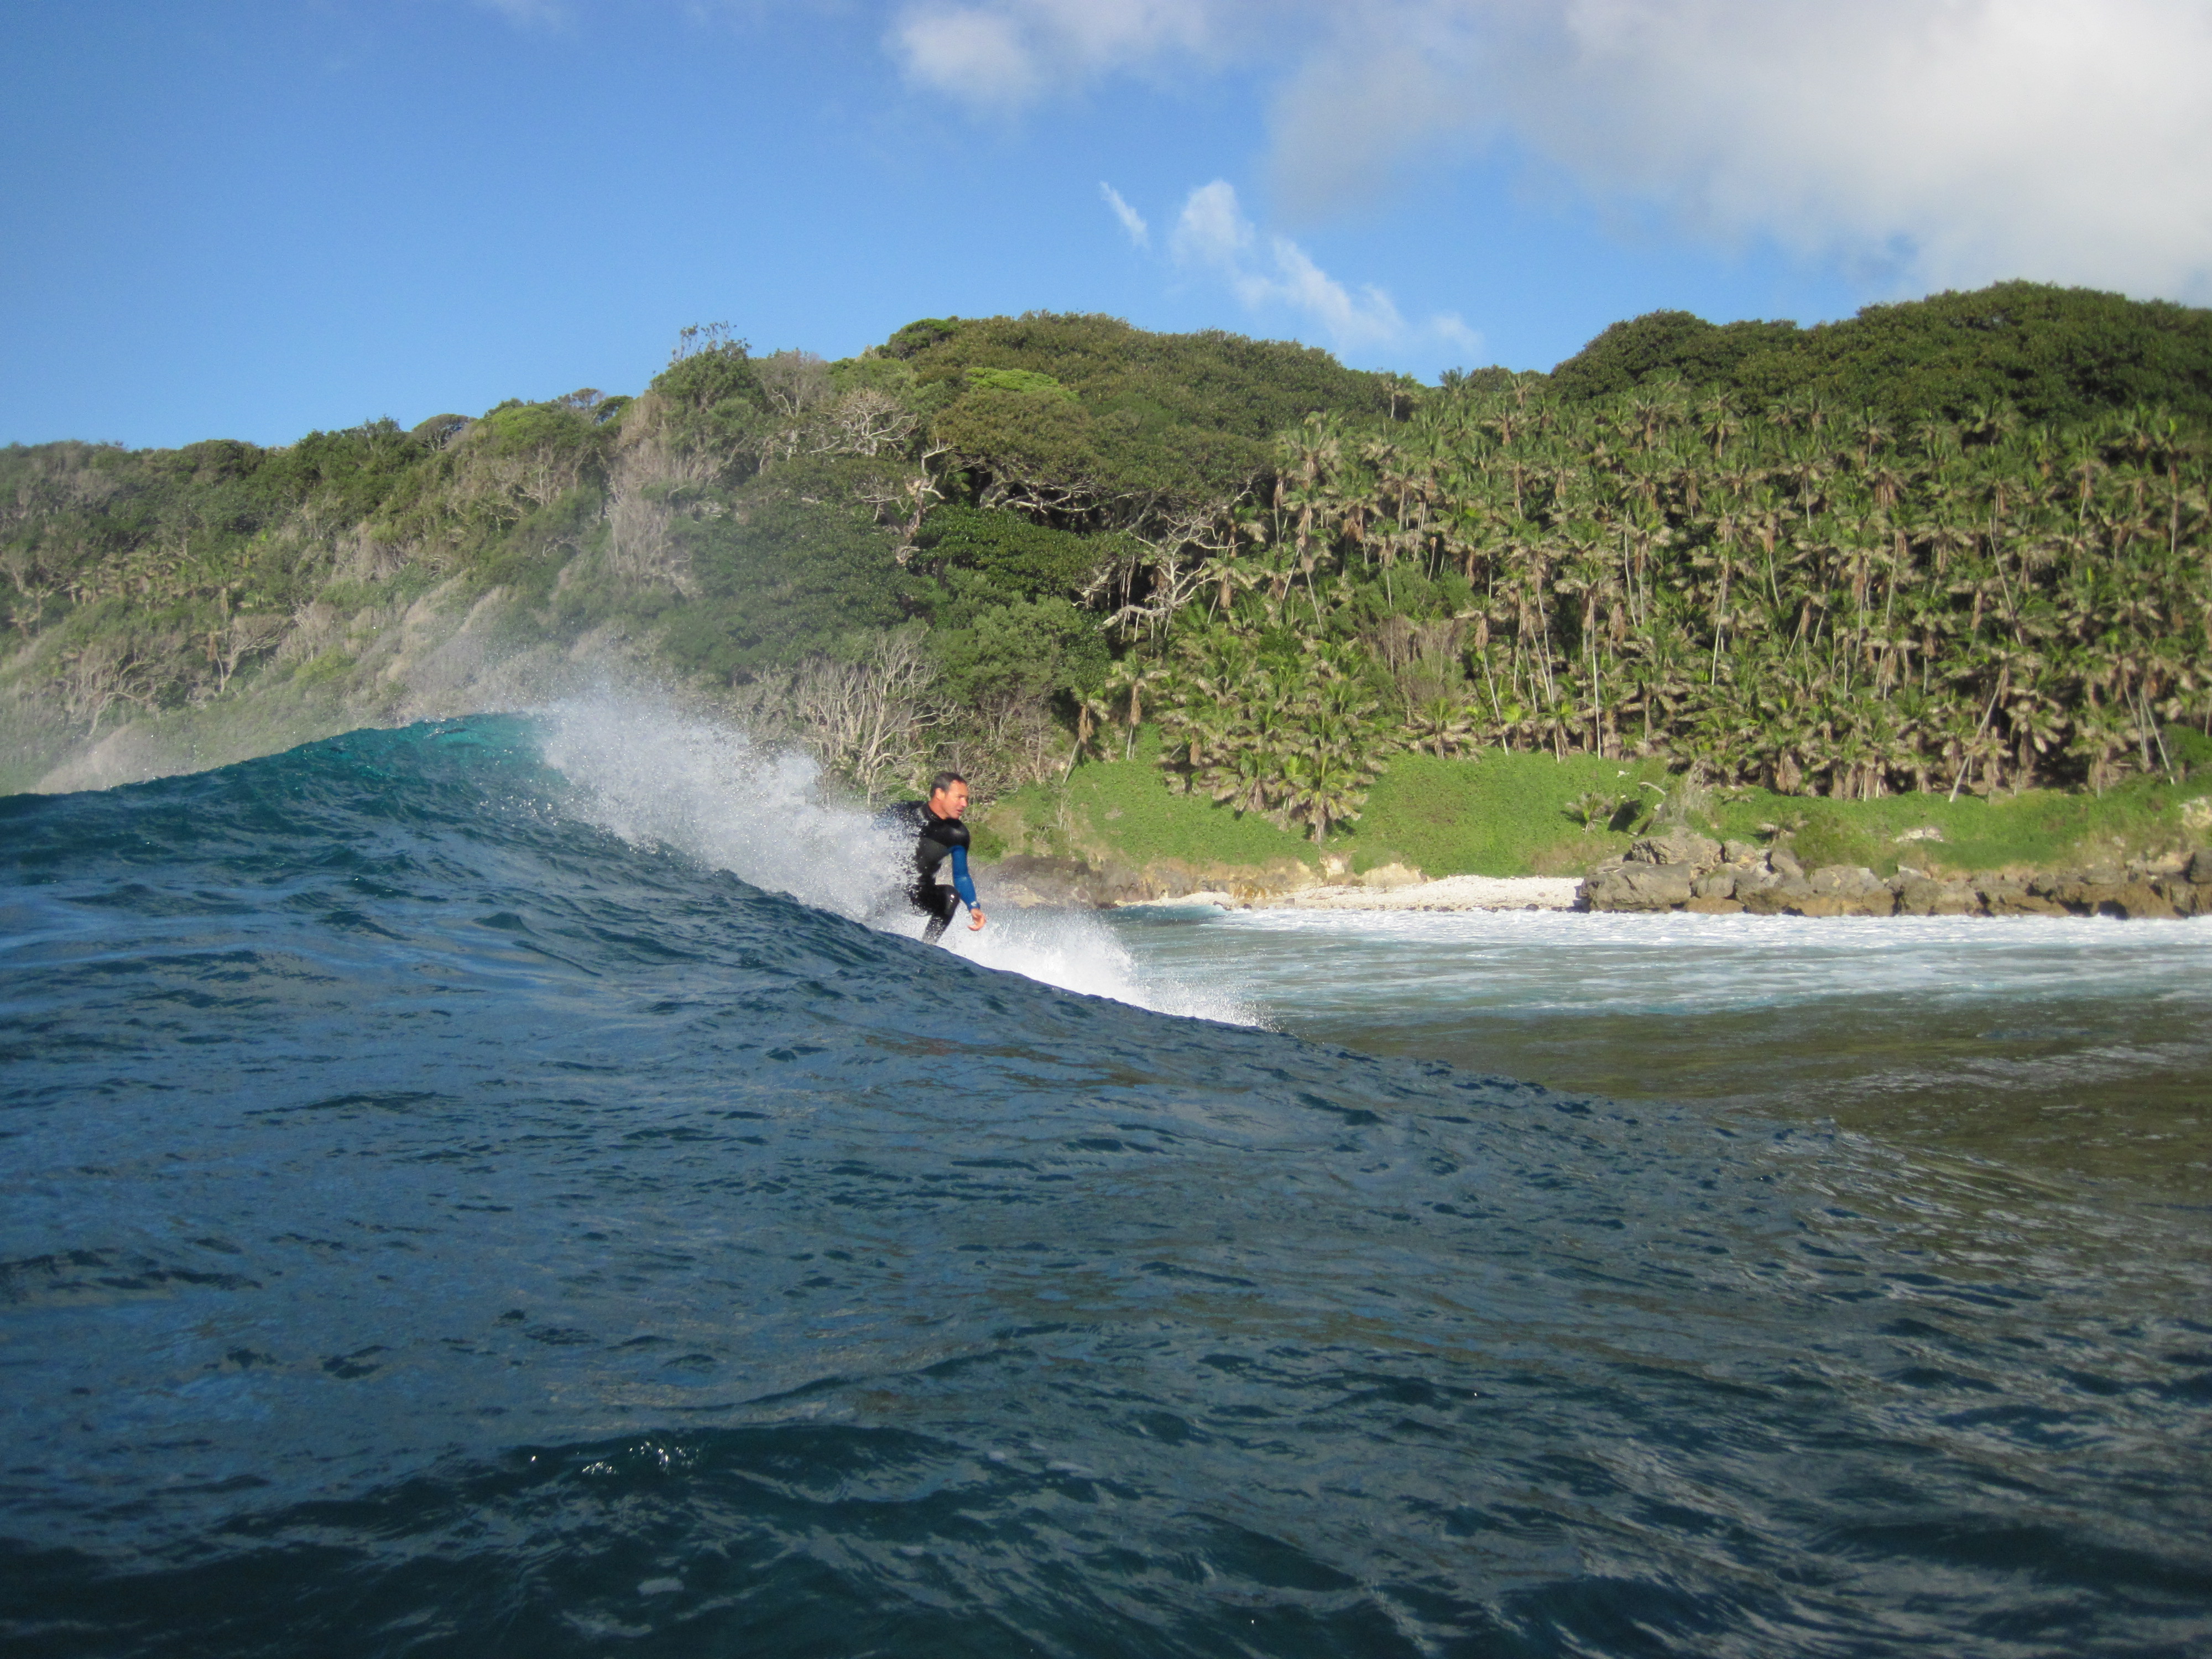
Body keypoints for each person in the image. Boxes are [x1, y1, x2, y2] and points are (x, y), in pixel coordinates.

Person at [878, 772, 987, 944]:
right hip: (886, 887)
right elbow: (867, 840)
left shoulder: (957, 835)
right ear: (940, 794)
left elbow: (961, 876)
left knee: (950, 896)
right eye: (959, 797)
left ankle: (927, 947)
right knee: (882, 893)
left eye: (966, 799)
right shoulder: (904, 812)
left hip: (920, 895)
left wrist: (974, 907)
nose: (964, 804)